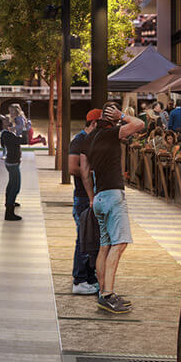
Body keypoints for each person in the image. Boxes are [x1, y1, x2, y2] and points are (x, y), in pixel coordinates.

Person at [82, 102, 145, 315]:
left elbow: (85, 172)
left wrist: (92, 198)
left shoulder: (89, 139)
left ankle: (103, 293)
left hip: (99, 197)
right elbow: (139, 124)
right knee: (119, 244)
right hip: (113, 196)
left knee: (105, 246)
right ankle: (108, 295)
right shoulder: (112, 133)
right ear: (113, 117)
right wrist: (123, 116)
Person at [68, 108, 103, 295]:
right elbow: (72, 168)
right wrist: (94, 171)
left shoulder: (93, 140)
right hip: (83, 197)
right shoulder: (79, 140)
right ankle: (79, 279)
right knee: (84, 237)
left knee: (92, 239)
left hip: (93, 196)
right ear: (94, 123)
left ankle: (89, 277)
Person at [0, 115, 24, 220]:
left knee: (11, 184)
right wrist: (24, 128)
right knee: (15, 187)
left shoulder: (6, 133)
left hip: (11, 162)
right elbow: (23, 140)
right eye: (5, 119)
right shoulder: (7, 135)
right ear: (2, 124)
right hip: (13, 163)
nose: (8, 119)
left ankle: (9, 202)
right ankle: (9, 213)